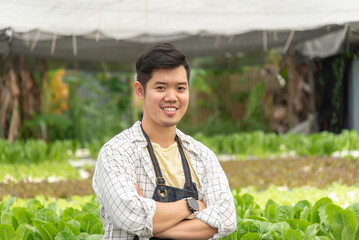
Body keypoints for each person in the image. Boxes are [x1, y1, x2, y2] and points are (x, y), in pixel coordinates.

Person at [92, 42, 236, 240]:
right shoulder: (116, 152)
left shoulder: (202, 156)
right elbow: (130, 216)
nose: (171, 97)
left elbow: (226, 218)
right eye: (160, 87)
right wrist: (192, 206)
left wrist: (153, 222)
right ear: (140, 90)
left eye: (180, 88)